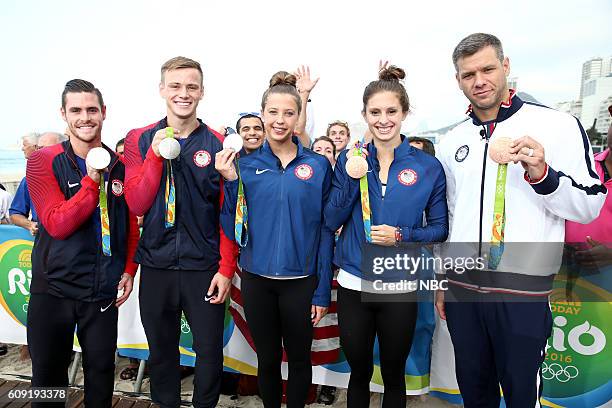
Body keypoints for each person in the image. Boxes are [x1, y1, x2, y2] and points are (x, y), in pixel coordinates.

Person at [435, 33, 607, 407]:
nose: (479, 81)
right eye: (468, 74)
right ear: (458, 80)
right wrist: (442, 280)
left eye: (487, 69)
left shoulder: (558, 125)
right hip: (463, 292)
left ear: (506, 66)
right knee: (474, 393)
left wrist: (543, 174)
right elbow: (450, 216)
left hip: (522, 294)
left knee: (521, 396)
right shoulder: (451, 141)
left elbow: (590, 204)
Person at [324, 65, 449, 407]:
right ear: (364, 115)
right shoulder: (350, 159)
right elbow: (331, 217)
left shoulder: (427, 166)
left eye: (391, 111)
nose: (383, 119)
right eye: (375, 112)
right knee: (359, 372)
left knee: (393, 373)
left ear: (405, 113)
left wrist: (400, 234)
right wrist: (351, 176)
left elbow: (439, 229)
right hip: (353, 283)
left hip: (400, 286)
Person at [123, 56, 237, 408]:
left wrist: (226, 268)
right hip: (156, 266)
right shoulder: (139, 139)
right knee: (161, 354)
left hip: (204, 268)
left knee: (208, 354)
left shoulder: (218, 142)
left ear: (202, 91)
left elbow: (228, 213)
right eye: (175, 86)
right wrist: (156, 155)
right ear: (162, 90)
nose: (183, 93)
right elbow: (136, 204)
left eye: (191, 86)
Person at [216, 71, 334, 408]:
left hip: (301, 282)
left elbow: (326, 232)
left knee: (299, 360)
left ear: (299, 116)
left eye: (288, 113)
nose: (280, 121)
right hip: (257, 282)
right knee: (266, 361)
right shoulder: (246, 166)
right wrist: (230, 182)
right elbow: (232, 227)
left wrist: (322, 288)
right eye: (273, 112)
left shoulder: (318, 166)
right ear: (262, 113)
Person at [26, 79, 139, 407]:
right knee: (48, 383)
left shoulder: (119, 166)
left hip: (101, 294)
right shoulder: (43, 160)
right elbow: (57, 224)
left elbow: (129, 224)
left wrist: (130, 268)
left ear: (104, 113)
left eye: (92, 109)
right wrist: (91, 180)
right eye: (76, 110)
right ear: (64, 114)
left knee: (102, 378)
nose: (85, 117)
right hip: (54, 292)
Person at [10, 132, 66, 235]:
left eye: (47, 149)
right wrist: (29, 224)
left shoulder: (78, 175)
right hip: (44, 239)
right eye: (40, 149)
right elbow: (15, 214)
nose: (42, 152)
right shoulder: (28, 180)